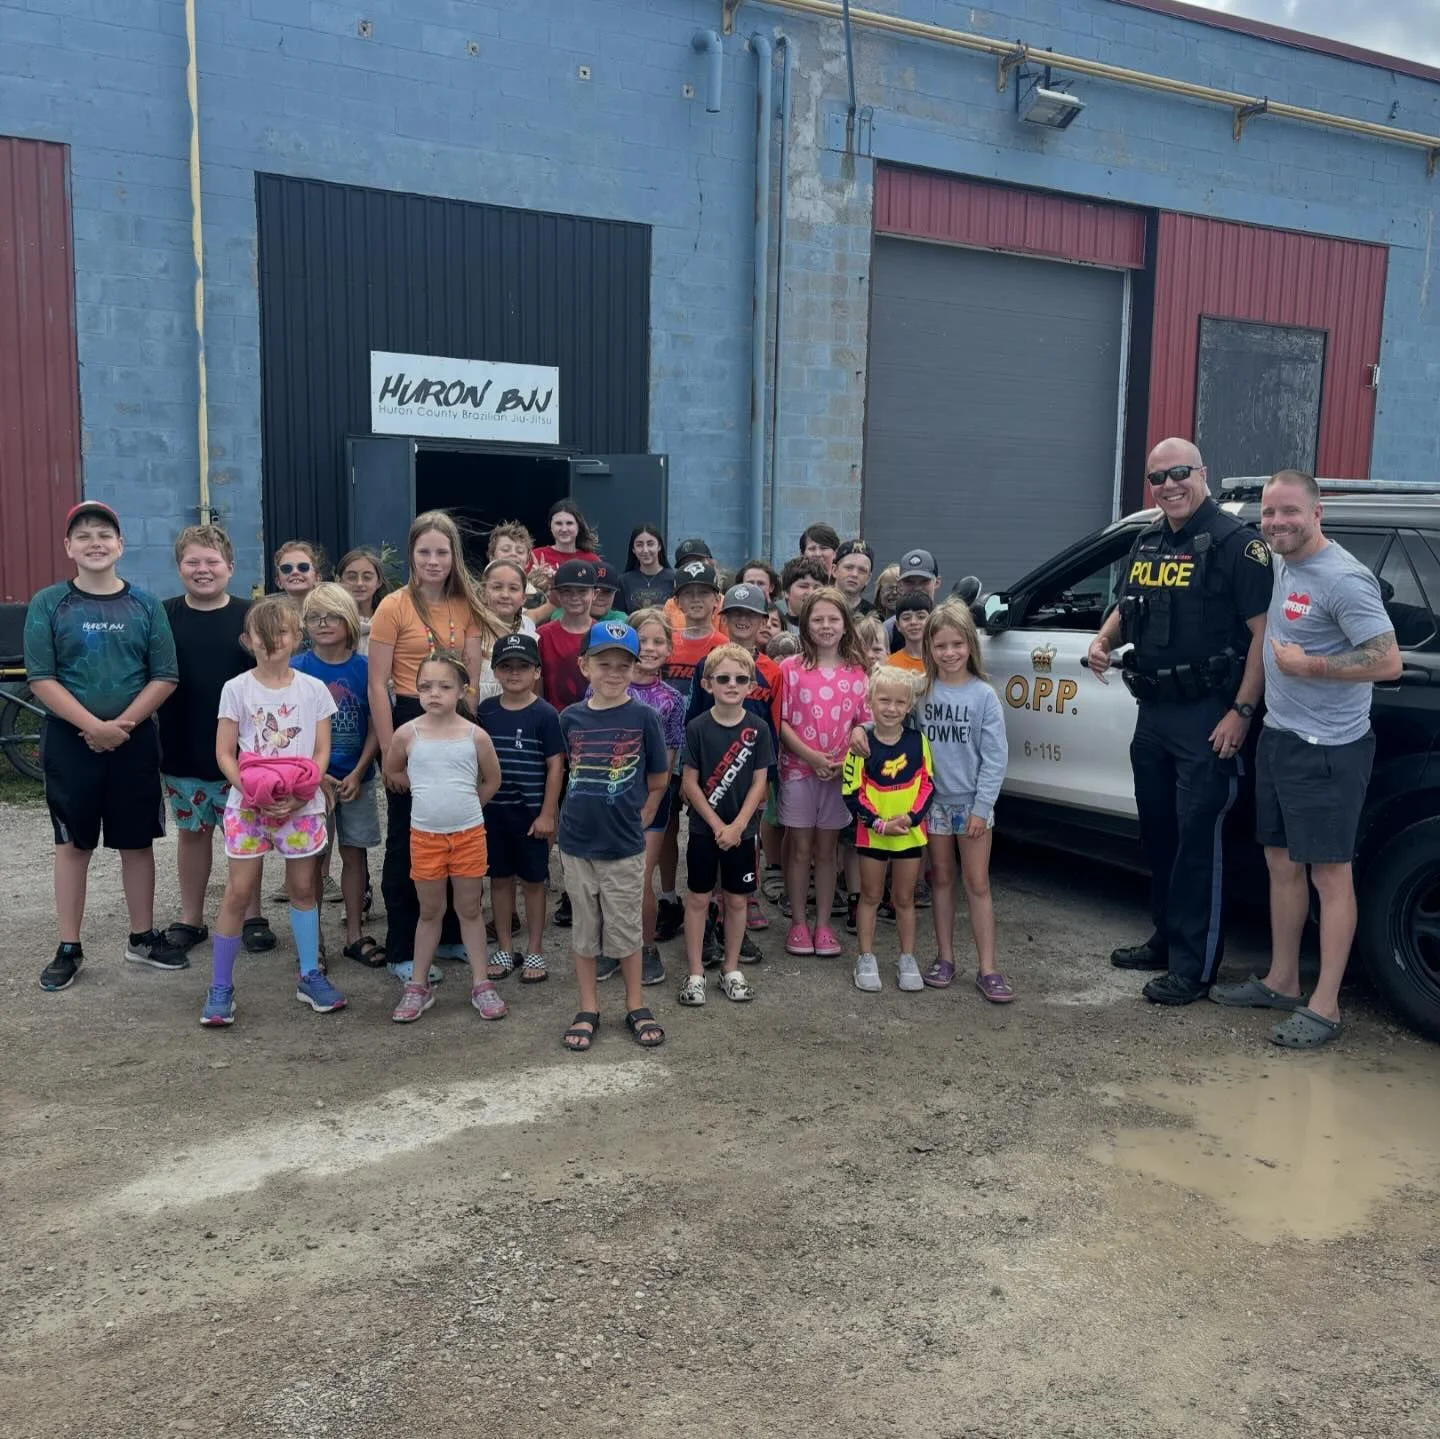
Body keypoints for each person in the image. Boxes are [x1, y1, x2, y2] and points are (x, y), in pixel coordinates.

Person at [1210, 470, 1400, 1047]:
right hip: (1282, 736)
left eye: (1289, 512)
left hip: (1329, 750)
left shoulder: (1344, 579)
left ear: (1317, 513)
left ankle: (1326, 1007)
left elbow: (1388, 661)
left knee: (1329, 873)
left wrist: (1310, 666)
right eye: (1269, 513)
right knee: (1280, 863)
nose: (1276, 523)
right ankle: (1282, 979)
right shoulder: (1283, 562)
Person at [1087, 438, 1273, 1005]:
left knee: (1198, 839)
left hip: (1209, 716)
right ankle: (1167, 938)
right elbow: (1130, 605)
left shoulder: (1238, 546)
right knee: (1160, 831)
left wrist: (1241, 712)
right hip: (1155, 712)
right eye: (1156, 478)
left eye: (1178, 473)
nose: (1168, 485)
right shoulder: (1148, 541)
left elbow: (1265, 636)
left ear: (1202, 473)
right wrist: (1103, 638)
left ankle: (1194, 968)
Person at [25, 501, 184, 990]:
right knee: (73, 843)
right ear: (68, 547)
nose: (95, 542)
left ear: (121, 545)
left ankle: (141, 937)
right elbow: (41, 677)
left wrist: (124, 724)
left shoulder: (145, 604)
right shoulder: (49, 603)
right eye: (84, 535)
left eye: (104, 534)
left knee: (136, 841)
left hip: (134, 741)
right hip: (70, 741)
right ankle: (69, 946)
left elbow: (165, 675)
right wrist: (93, 726)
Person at [369, 511, 502, 981]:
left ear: (453, 557)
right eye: (424, 551)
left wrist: (469, 733)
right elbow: (377, 685)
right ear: (411, 555)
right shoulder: (393, 607)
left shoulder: (466, 605)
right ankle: (403, 948)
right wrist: (391, 753)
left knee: (456, 830)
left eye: (441, 552)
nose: (433, 560)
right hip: (410, 719)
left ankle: (448, 937)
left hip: (456, 721)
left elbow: (468, 678)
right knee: (410, 839)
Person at [200, 596, 342, 1026]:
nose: (271, 641)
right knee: (238, 893)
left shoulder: (313, 689)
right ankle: (220, 987)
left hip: (302, 806)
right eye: (261, 634)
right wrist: (250, 790)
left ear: (296, 637)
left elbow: (321, 751)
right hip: (249, 807)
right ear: (248, 641)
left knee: (303, 889)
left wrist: (303, 794)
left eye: (281, 631)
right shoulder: (236, 689)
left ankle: (309, 974)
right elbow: (225, 753)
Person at [556, 621, 670, 1053]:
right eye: (604, 664)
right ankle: (588, 1007)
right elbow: (563, 774)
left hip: (623, 845)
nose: (614, 673)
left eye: (624, 666)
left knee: (625, 931)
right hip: (576, 844)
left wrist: (642, 817)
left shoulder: (645, 717)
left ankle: (636, 1004)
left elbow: (658, 779)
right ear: (585, 666)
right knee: (585, 932)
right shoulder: (570, 718)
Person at [157, 524, 265, 957]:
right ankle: (191, 917)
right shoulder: (163, 615)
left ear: (231, 567)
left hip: (244, 754)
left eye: (212, 562)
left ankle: (252, 914)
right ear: (180, 567)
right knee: (192, 835)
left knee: (247, 837)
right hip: (183, 747)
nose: (203, 570)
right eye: (193, 562)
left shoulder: (250, 615)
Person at [384, 652, 505, 1023]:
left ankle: (482, 983)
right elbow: (393, 771)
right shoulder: (407, 734)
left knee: (470, 910)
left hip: (469, 835)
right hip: (425, 837)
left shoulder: (476, 736)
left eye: (444, 686)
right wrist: (423, 791)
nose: (434, 693)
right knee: (430, 910)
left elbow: (491, 780)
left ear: (462, 691)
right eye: (425, 686)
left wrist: (469, 804)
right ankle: (418, 986)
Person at [912, 602, 1012, 1000]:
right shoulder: (921, 693)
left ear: (970, 644)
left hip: (971, 805)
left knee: (977, 883)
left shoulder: (983, 696)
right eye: (940, 645)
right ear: (929, 649)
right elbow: (891, 722)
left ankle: (988, 967)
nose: (949, 652)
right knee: (940, 879)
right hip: (933, 804)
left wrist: (982, 808)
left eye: (957, 644)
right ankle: (945, 957)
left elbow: (995, 757)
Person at [778, 587, 871, 957]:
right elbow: (782, 722)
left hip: (840, 773)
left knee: (828, 851)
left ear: (845, 625)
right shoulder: (790, 669)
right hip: (799, 770)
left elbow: (864, 723)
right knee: (801, 849)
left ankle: (822, 924)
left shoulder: (858, 673)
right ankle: (798, 922)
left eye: (833, 619)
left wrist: (845, 751)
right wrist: (812, 757)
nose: (826, 626)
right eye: (818, 619)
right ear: (805, 623)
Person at [679, 644, 772, 1005]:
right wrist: (719, 825)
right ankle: (695, 973)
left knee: (737, 901)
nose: (732, 684)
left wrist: (738, 826)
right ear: (707, 684)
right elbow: (689, 782)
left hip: (743, 834)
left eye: (740, 679)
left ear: (751, 686)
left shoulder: (759, 728)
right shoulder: (697, 727)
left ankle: (731, 969)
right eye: (723, 678)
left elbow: (760, 782)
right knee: (699, 899)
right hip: (705, 831)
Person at [296, 584, 381, 967]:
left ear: (349, 620)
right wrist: (317, 775)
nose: (323, 623)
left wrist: (360, 770)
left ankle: (354, 934)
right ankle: (311, 939)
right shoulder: (297, 668)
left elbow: (378, 725)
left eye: (331, 615)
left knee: (354, 852)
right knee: (311, 859)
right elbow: (290, 730)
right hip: (310, 783)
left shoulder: (366, 669)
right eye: (315, 617)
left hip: (356, 779)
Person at [690, 584, 780, 938]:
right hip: (709, 775)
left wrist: (767, 783)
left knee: (746, 839)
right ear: (722, 618)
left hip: (751, 775)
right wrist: (690, 778)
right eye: (735, 614)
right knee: (708, 846)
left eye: (751, 615)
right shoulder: (708, 666)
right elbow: (693, 721)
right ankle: (710, 912)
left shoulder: (771, 670)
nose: (743, 620)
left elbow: (773, 725)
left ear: (763, 621)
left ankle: (742, 902)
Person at [476, 632, 565, 985]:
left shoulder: (545, 714)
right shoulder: (485, 711)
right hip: (495, 812)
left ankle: (535, 948)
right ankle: (504, 945)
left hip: (530, 815)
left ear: (537, 672)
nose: (515, 673)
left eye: (523, 666)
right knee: (499, 880)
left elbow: (555, 766)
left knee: (533, 882)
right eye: (507, 666)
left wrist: (547, 814)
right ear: (496, 671)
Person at [843, 665, 935, 992]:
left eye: (899, 702)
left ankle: (907, 957)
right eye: (884, 700)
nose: (891, 708)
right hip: (873, 834)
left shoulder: (917, 741)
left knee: (904, 898)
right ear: (870, 700)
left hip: (909, 834)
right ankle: (865, 956)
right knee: (869, 896)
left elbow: (928, 785)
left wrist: (910, 819)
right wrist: (879, 823)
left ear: (909, 706)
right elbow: (850, 792)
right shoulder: (860, 744)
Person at [613, 607, 687, 985]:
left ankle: (645, 947)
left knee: (639, 878)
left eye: (659, 641)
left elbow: (672, 753)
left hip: (650, 799)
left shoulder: (672, 699)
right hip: (609, 797)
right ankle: (613, 945)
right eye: (642, 640)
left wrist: (655, 800)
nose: (650, 647)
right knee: (609, 876)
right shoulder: (607, 687)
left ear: (670, 648)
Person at [655, 558, 727, 940]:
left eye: (704, 593)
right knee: (665, 824)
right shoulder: (667, 643)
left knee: (705, 829)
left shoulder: (723, 646)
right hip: (667, 748)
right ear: (677, 601)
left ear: (717, 599)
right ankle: (668, 898)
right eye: (688, 594)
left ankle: (710, 901)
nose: (696, 600)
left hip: (706, 751)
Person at [538, 558, 599, 712]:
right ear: (557, 595)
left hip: (596, 723)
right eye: (567, 591)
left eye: (582, 591)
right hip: (554, 722)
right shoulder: (542, 636)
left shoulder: (603, 634)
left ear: (595, 594)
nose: (574, 597)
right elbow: (536, 689)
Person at [336, 547, 388, 655]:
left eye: (367, 577)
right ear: (339, 580)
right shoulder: (331, 621)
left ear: (379, 582)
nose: (359, 583)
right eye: (351, 577)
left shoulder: (390, 619)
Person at [884, 549, 941, 647]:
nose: (917, 588)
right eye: (909, 582)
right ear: (900, 585)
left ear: (937, 583)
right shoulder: (889, 630)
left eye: (924, 581)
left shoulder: (948, 622)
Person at [531, 500, 601, 577]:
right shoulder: (536, 556)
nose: (564, 529)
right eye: (558, 523)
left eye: (569, 523)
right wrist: (533, 579)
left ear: (578, 526)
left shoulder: (592, 561)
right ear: (550, 526)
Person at [619, 525, 675, 613]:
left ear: (659, 546)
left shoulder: (674, 579)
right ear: (633, 549)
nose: (645, 550)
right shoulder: (623, 582)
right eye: (639, 545)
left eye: (650, 544)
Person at [482, 558, 538, 637]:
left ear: (524, 597)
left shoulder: (530, 634)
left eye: (513, 588)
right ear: (483, 593)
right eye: (497, 587)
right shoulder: (470, 634)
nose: (505, 595)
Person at [890, 592, 932, 675]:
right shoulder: (889, 665)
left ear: (931, 621)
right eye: (906, 618)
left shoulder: (940, 660)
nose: (913, 622)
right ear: (898, 625)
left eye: (921, 617)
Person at [273, 540, 325, 606]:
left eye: (303, 567)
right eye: (286, 568)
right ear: (279, 582)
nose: (295, 572)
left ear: (317, 579)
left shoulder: (331, 613)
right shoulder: (269, 615)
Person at [779, 556, 827, 624]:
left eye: (817, 588)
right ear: (786, 592)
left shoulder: (832, 630)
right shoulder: (776, 630)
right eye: (803, 586)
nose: (811, 593)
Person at [834, 539, 875, 615]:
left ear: (868, 578)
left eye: (862, 570)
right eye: (849, 567)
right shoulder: (817, 606)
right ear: (834, 570)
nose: (854, 574)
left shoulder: (873, 616)